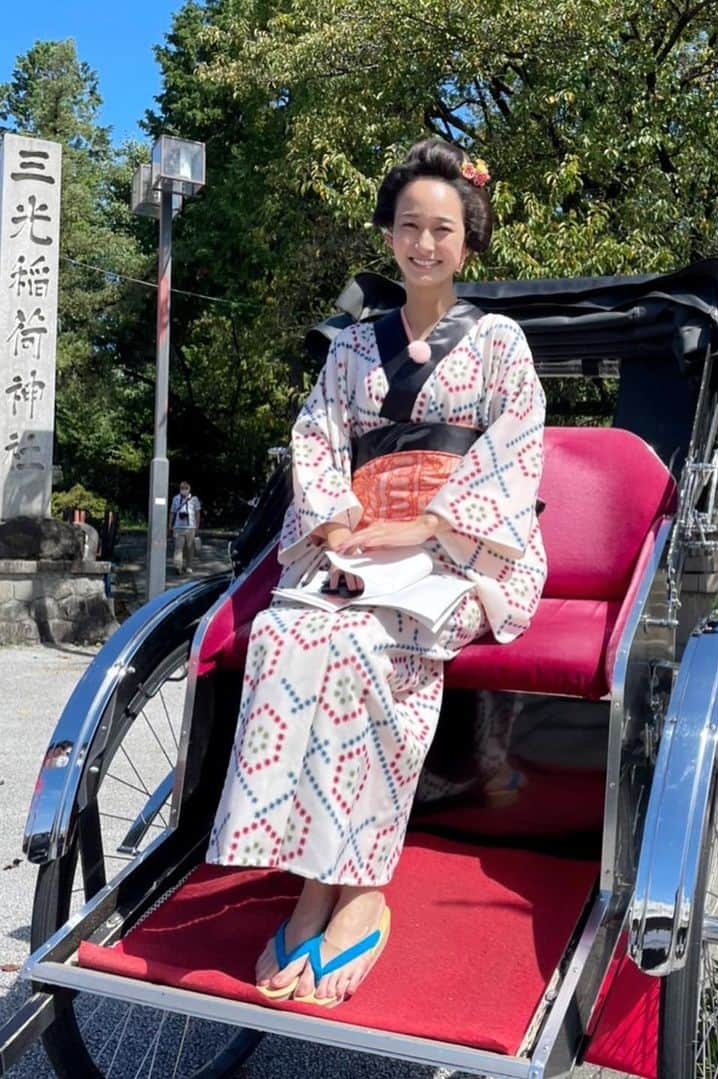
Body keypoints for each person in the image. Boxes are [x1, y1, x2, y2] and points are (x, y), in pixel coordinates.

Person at [205, 138, 547, 1008]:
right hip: (357, 537)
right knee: (285, 632)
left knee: (368, 648)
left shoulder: (501, 344)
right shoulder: (353, 346)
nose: (424, 244)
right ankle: (312, 876)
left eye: (442, 228)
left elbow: (514, 454)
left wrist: (427, 524)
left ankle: (358, 889)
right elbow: (317, 440)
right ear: (389, 237)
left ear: (467, 239)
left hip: (454, 544)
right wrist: (337, 518)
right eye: (408, 227)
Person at [169, 481, 201, 573]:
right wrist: (170, 525)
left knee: (189, 548)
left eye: (186, 488)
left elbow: (197, 513)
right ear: (180, 489)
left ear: (189, 489)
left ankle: (189, 566)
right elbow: (172, 512)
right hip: (178, 527)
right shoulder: (176, 498)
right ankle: (178, 567)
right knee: (178, 547)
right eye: (182, 488)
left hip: (191, 527)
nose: (184, 490)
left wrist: (197, 526)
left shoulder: (194, 499)